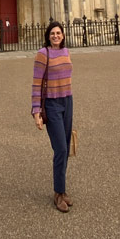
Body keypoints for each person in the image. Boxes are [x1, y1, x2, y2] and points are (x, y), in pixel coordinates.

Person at [31, 21, 73, 212]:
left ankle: (62, 191)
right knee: (61, 149)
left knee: (65, 147)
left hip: (67, 101)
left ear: (63, 35)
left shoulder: (66, 52)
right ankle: (58, 193)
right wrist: (36, 111)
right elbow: (36, 83)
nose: (56, 36)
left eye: (59, 33)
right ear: (48, 36)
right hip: (52, 105)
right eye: (53, 33)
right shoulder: (43, 54)